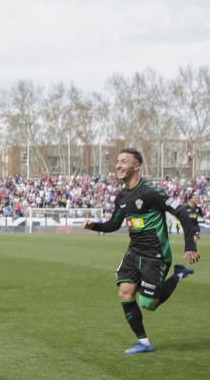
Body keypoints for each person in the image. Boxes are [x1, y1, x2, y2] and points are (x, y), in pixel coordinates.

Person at [84, 149, 200, 354]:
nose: (118, 165)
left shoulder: (150, 192)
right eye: (117, 161)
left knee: (149, 304)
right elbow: (114, 224)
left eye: (124, 162)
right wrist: (95, 226)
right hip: (133, 253)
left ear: (136, 166)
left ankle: (178, 274)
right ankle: (144, 342)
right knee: (125, 293)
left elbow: (181, 212)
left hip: (155, 255)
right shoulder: (122, 196)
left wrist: (190, 245)